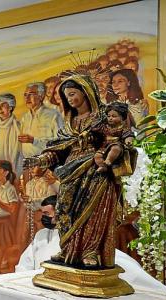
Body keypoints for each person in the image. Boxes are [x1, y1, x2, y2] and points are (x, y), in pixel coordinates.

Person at [23, 75, 130, 269]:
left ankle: (90, 251)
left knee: (93, 213)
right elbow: (57, 150)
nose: (70, 99)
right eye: (67, 96)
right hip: (71, 171)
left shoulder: (102, 118)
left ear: (86, 92)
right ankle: (68, 248)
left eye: (73, 94)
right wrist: (40, 160)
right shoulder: (69, 125)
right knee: (64, 208)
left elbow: (118, 137)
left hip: (96, 170)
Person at [15, 196, 166, 291]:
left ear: (60, 213)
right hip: (38, 285)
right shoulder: (41, 235)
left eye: (47, 213)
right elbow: (26, 261)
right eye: (42, 213)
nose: (43, 218)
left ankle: (158, 289)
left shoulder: (77, 234)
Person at [18, 82, 64, 160]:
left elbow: (60, 142)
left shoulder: (54, 115)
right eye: (25, 95)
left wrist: (34, 141)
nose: (27, 98)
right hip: (27, 163)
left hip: (48, 162)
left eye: (31, 94)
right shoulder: (24, 118)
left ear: (41, 96)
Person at [0, 93, 23, 174]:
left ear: (10, 107)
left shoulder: (17, 127)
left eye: (3, 105)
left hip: (12, 164)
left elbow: (20, 151)